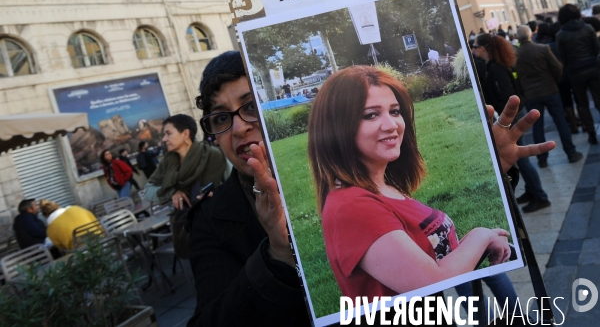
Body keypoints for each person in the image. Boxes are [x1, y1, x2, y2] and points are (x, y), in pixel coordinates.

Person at [186, 50, 554, 326]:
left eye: (251, 108)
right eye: (221, 118)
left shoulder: (380, 183)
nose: (238, 129)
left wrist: (497, 168)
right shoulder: (213, 221)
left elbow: (431, 260)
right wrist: (276, 257)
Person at [308, 66, 514, 298]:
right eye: (371, 115)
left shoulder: (381, 188)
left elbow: (426, 259)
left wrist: (501, 170)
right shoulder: (352, 206)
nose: (391, 125)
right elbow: (431, 281)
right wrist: (480, 235)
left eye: (394, 111)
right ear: (336, 129)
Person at [473, 33, 551, 213]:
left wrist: (502, 117)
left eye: (475, 47)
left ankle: (540, 196)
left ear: (483, 49)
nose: (474, 50)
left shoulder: (495, 69)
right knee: (518, 158)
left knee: (519, 158)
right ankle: (532, 192)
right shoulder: (495, 66)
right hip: (513, 115)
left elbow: (508, 95)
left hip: (511, 117)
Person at [146, 114, 229, 259]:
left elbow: (235, 187)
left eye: (168, 133)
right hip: (185, 230)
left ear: (185, 134)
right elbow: (148, 190)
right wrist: (172, 192)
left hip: (220, 229)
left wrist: (217, 195)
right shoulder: (168, 162)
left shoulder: (213, 155)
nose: (164, 139)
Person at [515, 25, 583, 167]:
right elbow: (558, 67)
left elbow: (516, 76)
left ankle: (542, 159)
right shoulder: (543, 49)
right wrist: (553, 80)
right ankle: (571, 152)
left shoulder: (516, 55)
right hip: (550, 89)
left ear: (517, 38)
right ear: (531, 35)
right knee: (560, 121)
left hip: (531, 94)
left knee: (537, 126)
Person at [556, 4, 600, 145]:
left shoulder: (560, 35)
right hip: (592, 67)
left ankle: (591, 132)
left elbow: (563, 57)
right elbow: (596, 49)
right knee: (598, 98)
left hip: (575, 72)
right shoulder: (588, 28)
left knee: (582, 104)